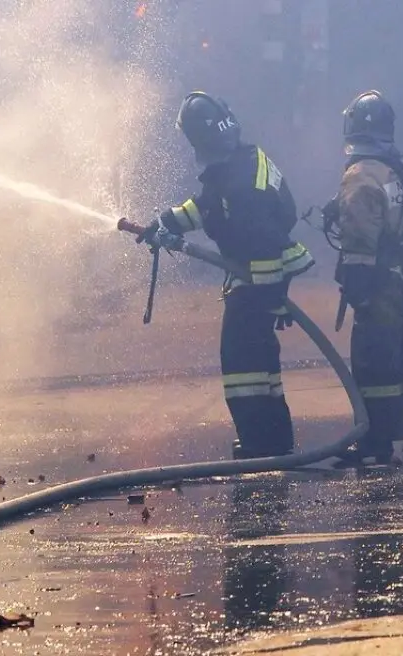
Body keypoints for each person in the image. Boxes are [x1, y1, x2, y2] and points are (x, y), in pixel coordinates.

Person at [138, 91, 314, 459]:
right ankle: (275, 442)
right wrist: (165, 222)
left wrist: (271, 298)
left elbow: (266, 248)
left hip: (255, 285)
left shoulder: (243, 187)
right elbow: (208, 205)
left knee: (242, 369)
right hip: (255, 282)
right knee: (263, 370)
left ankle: (257, 444)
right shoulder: (238, 162)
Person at [327, 90, 403, 467]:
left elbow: (362, 238)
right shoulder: (399, 168)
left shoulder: (361, 175)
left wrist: (358, 287)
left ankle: (375, 440)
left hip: (381, 282)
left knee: (374, 360)